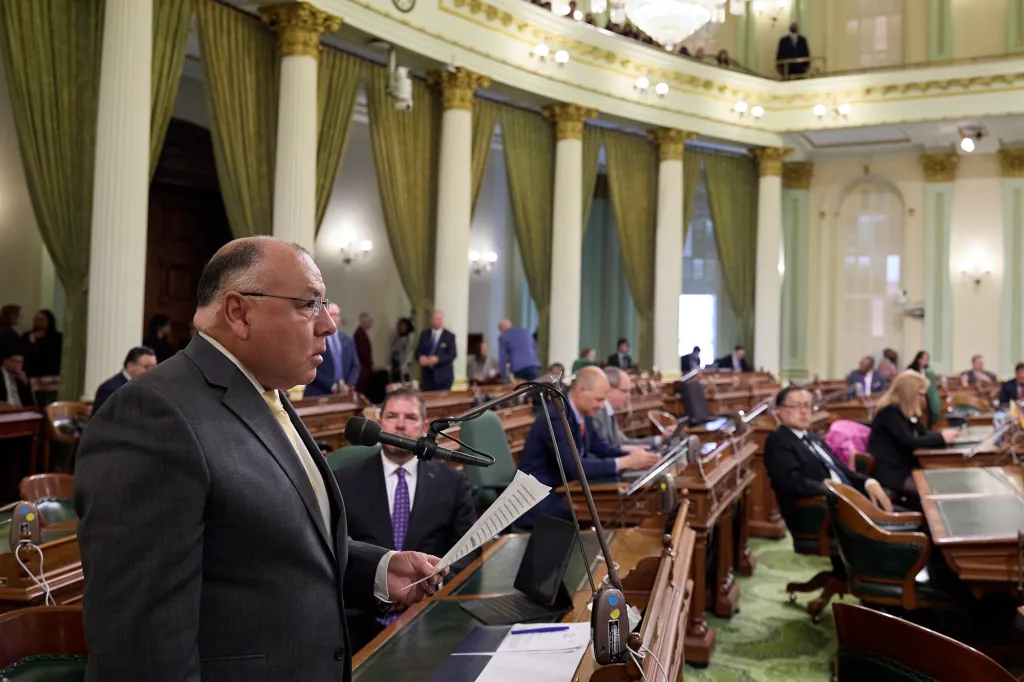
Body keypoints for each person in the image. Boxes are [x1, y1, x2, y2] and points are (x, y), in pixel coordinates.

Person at [74, 236, 444, 682]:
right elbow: (140, 647)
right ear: (238, 312)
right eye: (309, 304)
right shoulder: (153, 415)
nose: (328, 324)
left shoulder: (267, 393)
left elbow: (269, 545)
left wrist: (379, 569)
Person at [334, 389, 478, 651]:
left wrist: (433, 584)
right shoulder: (342, 482)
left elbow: (467, 549)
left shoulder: (452, 483)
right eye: (392, 416)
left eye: (410, 417)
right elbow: (337, 550)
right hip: (362, 622)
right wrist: (381, 586)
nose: (400, 424)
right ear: (379, 422)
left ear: (424, 427)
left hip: (432, 616)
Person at [766, 386, 892, 574]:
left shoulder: (813, 438)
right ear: (780, 412)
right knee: (898, 530)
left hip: (845, 503)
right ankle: (880, 589)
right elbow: (791, 483)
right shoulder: (778, 441)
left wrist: (869, 482)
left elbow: (840, 470)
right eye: (797, 406)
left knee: (905, 518)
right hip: (822, 514)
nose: (804, 411)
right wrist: (831, 489)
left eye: (807, 406)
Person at [517, 367, 660, 528]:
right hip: (540, 499)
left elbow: (602, 448)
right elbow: (574, 467)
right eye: (599, 400)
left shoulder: (583, 412)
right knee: (612, 513)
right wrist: (626, 462)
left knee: (623, 508)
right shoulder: (556, 417)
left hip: (567, 492)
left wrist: (639, 457)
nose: (601, 406)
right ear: (581, 390)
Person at [867, 370, 958, 501]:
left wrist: (941, 435)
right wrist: (942, 438)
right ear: (909, 393)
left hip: (906, 468)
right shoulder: (889, 413)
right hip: (893, 473)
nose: (923, 400)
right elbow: (911, 441)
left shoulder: (905, 412)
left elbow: (922, 433)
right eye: (921, 395)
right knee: (934, 493)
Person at [592, 367, 661, 450]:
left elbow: (623, 442)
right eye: (625, 391)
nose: (629, 396)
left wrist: (659, 439)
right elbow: (602, 450)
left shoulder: (609, 411)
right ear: (609, 390)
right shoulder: (596, 413)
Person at [306, 303, 360, 397]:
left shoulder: (348, 340)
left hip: (344, 394)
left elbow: (355, 366)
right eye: (331, 314)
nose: (333, 318)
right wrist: (333, 386)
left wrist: (349, 385)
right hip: (319, 393)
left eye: (336, 315)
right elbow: (311, 367)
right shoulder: (315, 338)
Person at [90, 346, 158, 417]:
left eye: (154, 367)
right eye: (147, 367)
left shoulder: (148, 387)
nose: (152, 371)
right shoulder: (110, 389)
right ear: (131, 366)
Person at [415, 310, 457, 391]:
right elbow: (418, 352)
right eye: (435, 319)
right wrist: (420, 358)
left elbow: (452, 354)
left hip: (443, 378)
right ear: (431, 320)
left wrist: (438, 359)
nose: (437, 321)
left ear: (442, 320)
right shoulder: (424, 334)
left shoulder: (449, 336)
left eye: (439, 319)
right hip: (427, 378)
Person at [21, 309, 62, 377]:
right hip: (32, 374)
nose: (38, 321)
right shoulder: (27, 336)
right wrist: (31, 343)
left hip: (51, 374)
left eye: (41, 319)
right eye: (36, 319)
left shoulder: (58, 337)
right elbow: (24, 354)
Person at [907, 350, 940, 424]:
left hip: (926, 394)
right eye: (924, 359)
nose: (925, 361)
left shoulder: (928, 371)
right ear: (919, 359)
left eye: (926, 359)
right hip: (915, 395)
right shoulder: (911, 369)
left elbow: (931, 385)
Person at [353, 313, 374, 394]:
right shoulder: (360, 335)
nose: (371, 324)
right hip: (362, 370)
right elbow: (363, 354)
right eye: (370, 321)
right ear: (364, 321)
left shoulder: (362, 333)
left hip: (364, 369)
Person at [390, 317, 415, 382]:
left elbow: (408, 355)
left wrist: (402, 367)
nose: (399, 327)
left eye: (402, 325)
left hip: (403, 369)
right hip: (394, 366)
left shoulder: (409, 339)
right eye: (398, 325)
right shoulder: (396, 337)